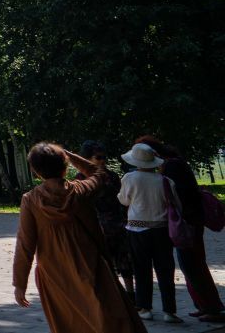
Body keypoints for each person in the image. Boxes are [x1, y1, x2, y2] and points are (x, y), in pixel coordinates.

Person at [14, 141, 148, 332]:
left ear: (36, 172)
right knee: (106, 314)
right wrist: (67, 154)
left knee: (67, 321)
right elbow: (98, 173)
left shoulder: (30, 200)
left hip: (54, 272)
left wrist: (20, 284)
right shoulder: (82, 190)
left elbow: (25, 244)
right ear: (65, 166)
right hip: (89, 263)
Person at [136, 135, 225, 324]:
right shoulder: (174, 163)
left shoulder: (172, 166)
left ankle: (212, 308)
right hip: (191, 220)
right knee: (190, 265)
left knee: (193, 265)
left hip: (187, 222)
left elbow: (178, 195)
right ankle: (204, 306)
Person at [121, 141, 184, 323]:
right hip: (162, 231)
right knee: (165, 270)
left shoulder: (129, 178)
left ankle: (145, 307)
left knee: (141, 269)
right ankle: (169, 311)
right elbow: (176, 205)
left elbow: (124, 201)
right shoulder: (165, 181)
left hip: (137, 230)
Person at [83, 139, 135, 298]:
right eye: (98, 157)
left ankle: (130, 294)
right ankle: (109, 295)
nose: (103, 160)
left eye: (104, 156)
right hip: (95, 228)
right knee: (102, 264)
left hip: (117, 226)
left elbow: (123, 200)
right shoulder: (82, 179)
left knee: (124, 261)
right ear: (87, 158)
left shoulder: (112, 176)